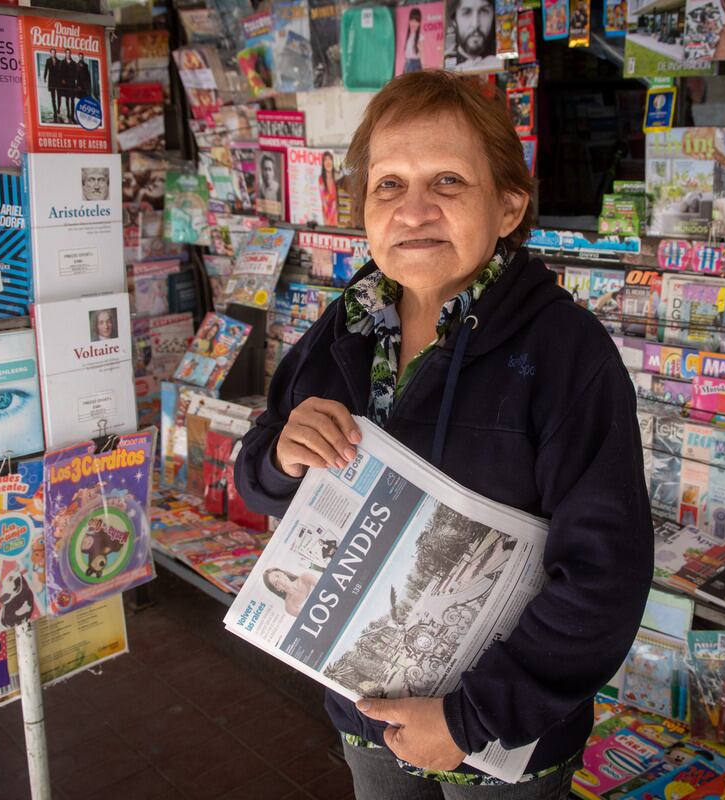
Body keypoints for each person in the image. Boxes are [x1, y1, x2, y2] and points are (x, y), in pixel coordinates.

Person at [235, 71, 652, 798]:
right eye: (388, 185)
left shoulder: (565, 353)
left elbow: (605, 574)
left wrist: (467, 718)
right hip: (363, 709)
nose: (414, 209)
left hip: (500, 735)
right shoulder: (348, 328)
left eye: (449, 181)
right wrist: (279, 456)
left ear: (508, 206)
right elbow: (259, 471)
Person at [447, 0, 501, 72]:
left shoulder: (502, 58)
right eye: (466, 12)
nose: (475, 24)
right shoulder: (444, 61)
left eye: (484, 11)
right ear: (454, 21)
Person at [43, 49, 66, 123]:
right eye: (52, 53)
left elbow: (62, 72)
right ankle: (54, 110)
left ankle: (58, 108)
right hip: (51, 81)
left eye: (54, 53)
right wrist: (44, 77)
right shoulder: (48, 61)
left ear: (55, 53)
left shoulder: (59, 61)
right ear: (50, 53)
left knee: (59, 96)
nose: (53, 54)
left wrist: (62, 79)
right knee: (53, 97)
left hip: (58, 81)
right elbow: (46, 69)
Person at [319, 151, 339, 225]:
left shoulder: (338, 176)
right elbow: (323, 201)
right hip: (327, 216)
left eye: (329, 159)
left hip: (338, 215)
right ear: (323, 164)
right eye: (325, 160)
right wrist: (326, 219)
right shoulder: (321, 180)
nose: (328, 162)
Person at [402, 8, 424, 74]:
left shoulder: (420, 37)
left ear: (419, 23)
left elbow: (421, 55)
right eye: (412, 20)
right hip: (407, 64)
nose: (413, 23)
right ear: (409, 21)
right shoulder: (406, 36)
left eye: (416, 20)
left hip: (415, 64)